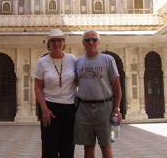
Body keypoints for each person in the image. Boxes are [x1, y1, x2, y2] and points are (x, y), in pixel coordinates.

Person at [74, 29, 122, 158]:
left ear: (99, 42)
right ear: (83, 43)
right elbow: (75, 84)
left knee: (105, 145)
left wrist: (116, 109)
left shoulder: (108, 59)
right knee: (88, 146)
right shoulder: (78, 62)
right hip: (84, 108)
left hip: (104, 107)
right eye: (87, 40)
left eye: (94, 39)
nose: (91, 42)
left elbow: (117, 86)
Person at [35, 29, 77, 158]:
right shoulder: (42, 62)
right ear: (49, 44)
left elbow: (78, 81)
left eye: (59, 40)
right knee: (49, 148)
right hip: (50, 109)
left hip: (69, 108)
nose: (56, 43)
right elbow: (38, 88)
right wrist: (44, 110)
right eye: (53, 41)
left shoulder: (72, 59)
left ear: (64, 43)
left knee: (68, 148)